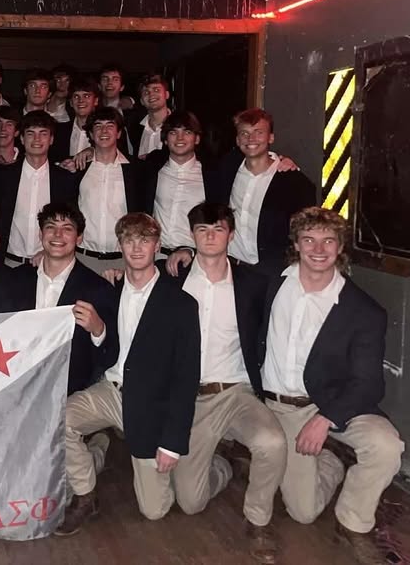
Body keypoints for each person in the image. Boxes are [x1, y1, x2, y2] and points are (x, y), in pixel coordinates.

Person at [260, 207, 403, 565]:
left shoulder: (364, 310)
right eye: (309, 240)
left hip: (336, 402)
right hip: (283, 406)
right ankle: (332, 462)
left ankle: (354, 522)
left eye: (328, 241)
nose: (318, 249)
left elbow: (369, 384)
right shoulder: (269, 282)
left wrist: (325, 418)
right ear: (296, 244)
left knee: (386, 445)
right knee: (303, 512)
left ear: (340, 247)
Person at [56, 212, 199, 535]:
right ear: (120, 245)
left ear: (157, 246)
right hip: (111, 391)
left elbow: (185, 378)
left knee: (154, 510)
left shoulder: (180, 303)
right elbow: (106, 350)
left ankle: (214, 464)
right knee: (58, 419)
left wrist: (172, 442)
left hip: (151, 404)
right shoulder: (109, 291)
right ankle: (85, 495)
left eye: (144, 240)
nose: (136, 248)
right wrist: (98, 331)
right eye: (129, 240)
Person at [168, 202, 287, 563]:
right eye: (202, 230)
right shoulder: (171, 278)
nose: (210, 236)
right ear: (191, 235)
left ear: (231, 235)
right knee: (190, 502)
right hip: (188, 399)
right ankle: (225, 464)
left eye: (218, 229)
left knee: (272, 441)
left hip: (235, 391)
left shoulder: (253, 284)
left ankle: (259, 520)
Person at [6, 202, 117, 395]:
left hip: (68, 393)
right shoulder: (14, 280)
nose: (58, 235)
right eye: (51, 227)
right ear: (41, 235)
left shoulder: (98, 288)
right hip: (15, 386)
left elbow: (109, 356)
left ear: (79, 238)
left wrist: (98, 330)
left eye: (67, 229)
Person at [203, 108, 317, 277]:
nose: (251, 139)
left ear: (271, 137)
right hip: (231, 269)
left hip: (273, 273)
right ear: (237, 139)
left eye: (259, 132)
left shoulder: (294, 182)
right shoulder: (226, 169)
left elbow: (306, 233)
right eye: (245, 133)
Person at [0, 110, 78, 267]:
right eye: (31, 133)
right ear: (22, 138)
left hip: (49, 262)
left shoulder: (64, 179)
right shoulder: (4, 176)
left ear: (51, 139)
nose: (37, 139)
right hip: (8, 263)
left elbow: (71, 223)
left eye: (43, 133)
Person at [74, 108, 149, 274]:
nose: (104, 131)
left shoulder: (136, 170)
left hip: (123, 260)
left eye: (110, 126)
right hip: (83, 258)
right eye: (98, 126)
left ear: (119, 133)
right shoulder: (79, 168)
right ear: (91, 134)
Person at [140, 111, 205, 257]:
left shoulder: (210, 175)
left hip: (194, 256)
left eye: (187, 132)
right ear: (165, 140)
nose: (180, 138)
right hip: (156, 255)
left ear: (197, 139)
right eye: (173, 133)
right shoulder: (151, 169)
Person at [53, 78, 100, 163]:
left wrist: (93, 151)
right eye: (76, 96)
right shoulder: (58, 131)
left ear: (96, 101)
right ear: (71, 102)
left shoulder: (105, 131)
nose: (81, 100)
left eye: (86, 96)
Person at [130, 75, 172, 158]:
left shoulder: (180, 126)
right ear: (141, 101)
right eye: (146, 92)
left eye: (156, 90)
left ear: (167, 94)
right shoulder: (133, 128)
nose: (151, 94)